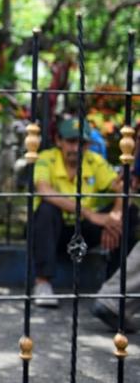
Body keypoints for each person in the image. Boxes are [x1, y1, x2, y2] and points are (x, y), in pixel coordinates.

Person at [32, 117, 136, 307]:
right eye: (71, 142)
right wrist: (89, 213)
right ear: (59, 141)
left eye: (82, 143)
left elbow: (124, 187)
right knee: (47, 209)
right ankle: (43, 283)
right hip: (55, 231)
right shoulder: (46, 158)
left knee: (129, 213)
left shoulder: (94, 160)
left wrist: (114, 216)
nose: (76, 148)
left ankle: (114, 288)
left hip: (84, 231)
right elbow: (44, 191)